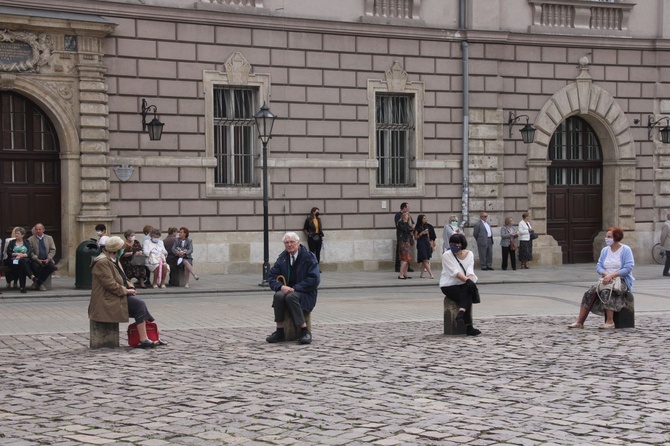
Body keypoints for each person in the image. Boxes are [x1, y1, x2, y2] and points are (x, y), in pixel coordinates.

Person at [88, 236, 166, 348]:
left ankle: (150, 336)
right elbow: (110, 284)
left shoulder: (114, 259)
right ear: (117, 250)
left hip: (116, 294)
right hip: (107, 298)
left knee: (140, 306)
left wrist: (131, 288)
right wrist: (126, 291)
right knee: (139, 305)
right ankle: (145, 338)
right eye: (122, 248)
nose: (124, 250)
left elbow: (124, 278)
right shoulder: (102, 262)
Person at [568, 227, 635, 329]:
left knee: (607, 291)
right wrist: (606, 274)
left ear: (616, 237)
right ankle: (580, 321)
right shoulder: (605, 250)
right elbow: (599, 266)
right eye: (606, 236)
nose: (606, 238)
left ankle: (610, 321)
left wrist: (612, 275)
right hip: (606, 279)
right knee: (589, 292)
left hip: (620, 280)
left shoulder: (625, 250)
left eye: (609, 236)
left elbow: (628, 267)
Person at [266, 232, 320, 345]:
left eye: (292, 242)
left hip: (305, 292)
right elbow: (272, 277)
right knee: (278, 295)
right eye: (286, 242)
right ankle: (279, 331)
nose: (289, 245)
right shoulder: (283, 258)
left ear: (298, 243)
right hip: (288, 290)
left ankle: (304, 330)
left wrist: (295, 288)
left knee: (291, 297)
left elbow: (314, 279)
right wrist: (281, 287)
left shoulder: (308, 257)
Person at [440, 233, 481, 336]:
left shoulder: (470, 254)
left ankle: (461, 315)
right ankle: (468, 326)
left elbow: (470, 269)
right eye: (451, 243)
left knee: (467, 291)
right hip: (449, 284)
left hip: (463, 282)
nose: (453, 245)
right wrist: (467, 281)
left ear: (462, 244)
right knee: (465, 297)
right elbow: (454, 272)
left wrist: (470, 281)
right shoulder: (447, 255)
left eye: (456, 243)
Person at [5, 227, 36, 293]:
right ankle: (30, 276)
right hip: (13, 261)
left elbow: (29, 253)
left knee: (22, 266)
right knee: (22, 263)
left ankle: (22, 288)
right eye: (16, 233)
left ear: (22, 235)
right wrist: (17, 254)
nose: (16, 235)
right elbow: (8, 253)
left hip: (22, 261)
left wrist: (21, 256)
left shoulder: (26, 242)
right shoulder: (12, 242)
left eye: (18, 233)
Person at [27, 223, 57, 291]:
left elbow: (53, 249)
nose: (38, 231)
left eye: (39, 229)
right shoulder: (30, 239)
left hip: (47, 259)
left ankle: (38, 282)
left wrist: (48, 258)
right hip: (36, 260)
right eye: (36, 229)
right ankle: (40, 284)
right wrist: (37, 259)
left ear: (43, 230)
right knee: (35, 267)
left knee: (52, 267)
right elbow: (30, 252)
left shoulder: (49, 238)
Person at [394, 202, 414, 273]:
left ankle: (406, 269)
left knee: (407, 255)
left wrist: (412, 227)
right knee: (402, 255)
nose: (409, 208)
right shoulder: (398, 216)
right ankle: (398, 268)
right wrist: (405, 222)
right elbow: (402, 228)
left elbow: (411, 225)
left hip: (408, 238)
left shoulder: (408, 216)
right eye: (408, 207)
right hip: (402, 238)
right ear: (404, 207)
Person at [414, 214, 435, 279]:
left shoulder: (426, 226)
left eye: (425, 218)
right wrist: (421, 233)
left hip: (426, 243)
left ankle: (422, 274)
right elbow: (415, 237)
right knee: (425, 259)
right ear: (421, 219)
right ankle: (431, 274)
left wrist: (430, 243)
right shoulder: (417, 227)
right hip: (421, 243)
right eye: (424, 218)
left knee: (425, 259)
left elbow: (428, 236)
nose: (426, 219)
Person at [661, 212, 670, 277]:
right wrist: (662, 243)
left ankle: (666, 271)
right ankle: (665, 272)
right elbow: (663, 235)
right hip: (668, 244)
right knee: (668, 259)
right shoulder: (666, 225)